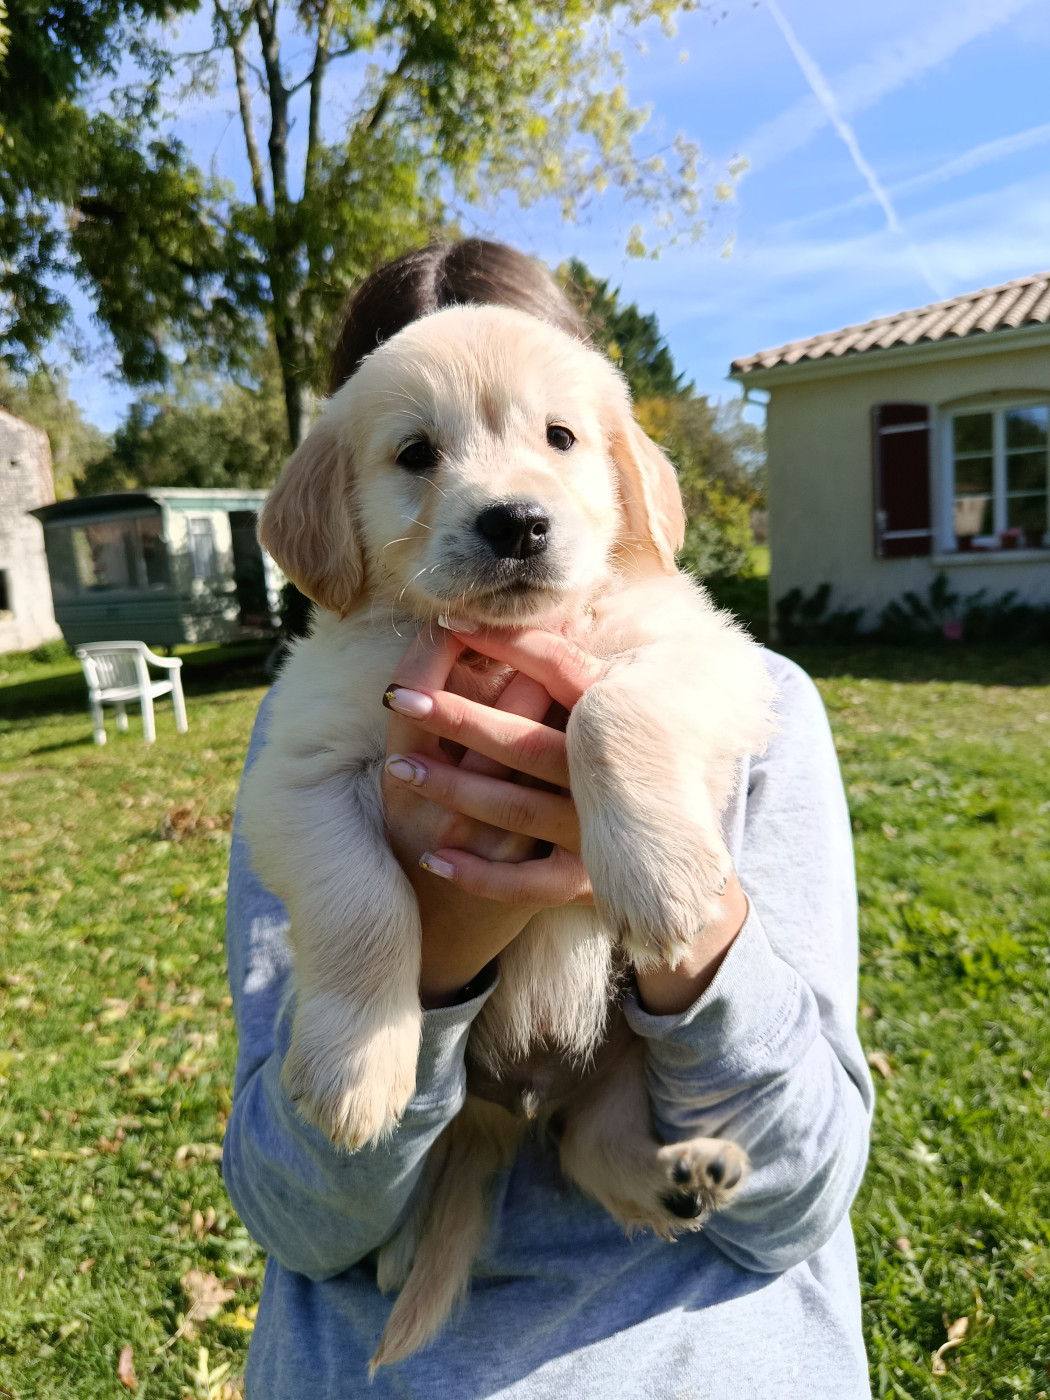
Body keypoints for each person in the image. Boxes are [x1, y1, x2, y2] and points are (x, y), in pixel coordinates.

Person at [222, 240, 874, 1398]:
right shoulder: (325, 686)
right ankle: (501, 1165)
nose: (505, 495)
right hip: (380, 1265)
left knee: (634, 725)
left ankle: (614, 1146)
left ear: (626, 477)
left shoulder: (724, 663)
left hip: (695, 1335)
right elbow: (302, 794)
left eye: (558, 438)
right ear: (335, 515)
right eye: (417, 454)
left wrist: (627, 764)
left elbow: (805, 1189)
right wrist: (394, 958)